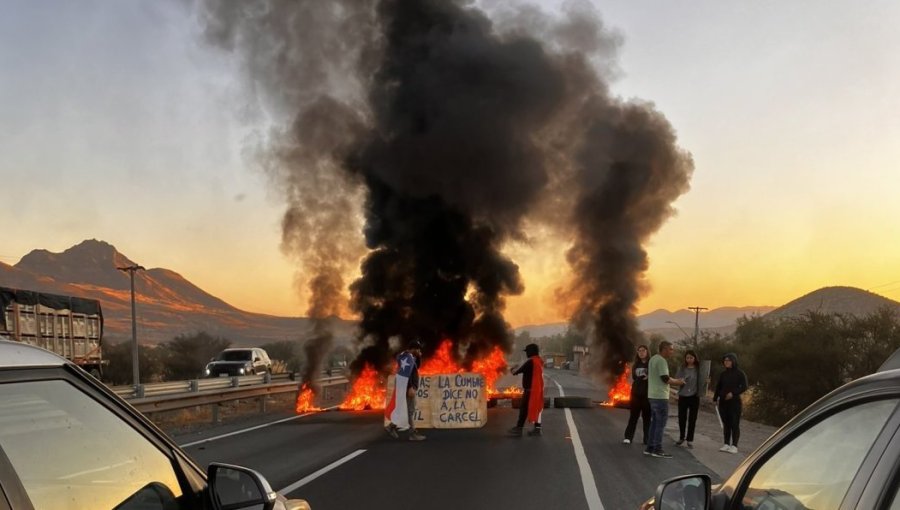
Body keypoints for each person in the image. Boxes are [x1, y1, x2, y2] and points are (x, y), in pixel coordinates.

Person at [646, 341, 684, 458]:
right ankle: (658, 449)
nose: (672, 352)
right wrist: (679, 382)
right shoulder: (662, 361)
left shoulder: (653, 359)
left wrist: (676, 379)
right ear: (665, 349)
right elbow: (665, 379)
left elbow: (663, 376)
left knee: (654, 423)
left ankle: (650, 447)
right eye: (671, 349)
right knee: (660, 424)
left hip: (652, 395)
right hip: (660, 397)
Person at [385, 340, 426, 441]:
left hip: (404, 386)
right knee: (410, 410)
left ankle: (391, 426)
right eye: (417, 349)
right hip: (408, 387)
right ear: (413, 349)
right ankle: (412, 434)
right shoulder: (408, 358)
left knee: (404, 409)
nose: (418, 350)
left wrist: (419, 357)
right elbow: (407, 374)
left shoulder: (408, 356)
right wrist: (410, 387)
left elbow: (416, 367)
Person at [713, 352, 748, 454]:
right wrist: (715, 398)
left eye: (728, 360)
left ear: (733, 361)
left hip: (735, 403)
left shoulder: (740, 373)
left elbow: (744, 387)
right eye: (725, 360)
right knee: (726, 423)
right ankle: (726, 444)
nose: (726, 362)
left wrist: (733, 393)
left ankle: (734, 446)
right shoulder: (723, 374)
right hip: (723, 402)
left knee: (734, 424)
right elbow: (718, 387)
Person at [508, 343, 545, 437]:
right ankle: (537, 429)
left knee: (523, 409)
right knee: (538, 408)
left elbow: (516, 372)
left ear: (531, 351)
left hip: (530, 391)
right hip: (538, 389)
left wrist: (512, 369)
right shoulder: (539, 361)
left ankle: (519, 428)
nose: (526, 353)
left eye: (527, 351)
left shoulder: (531, 362)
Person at [623, 345, 651, 445]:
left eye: (643, 350)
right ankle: (628, 437)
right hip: (635, 394)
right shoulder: (636, 364)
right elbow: (635, 378)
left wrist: (649, 376)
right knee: (633, 417)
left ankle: (647, 439)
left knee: (647, 418)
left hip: (647, 395)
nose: (641, 352)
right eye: (639, 351)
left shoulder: (651, 364)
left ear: (647, 352)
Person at [675, 350, 701, 449]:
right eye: (687, 358)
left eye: (691, 358)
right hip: (683, 396)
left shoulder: (699, 369)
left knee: (692, 419)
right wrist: (682, 380)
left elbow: (703, 380)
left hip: (694, 396)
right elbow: (676, 379)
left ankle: (690, 439)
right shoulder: (682, 368)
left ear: (695, 358)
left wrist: (707, 381)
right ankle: (682, 437)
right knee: (682, 418)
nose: (689, 360)